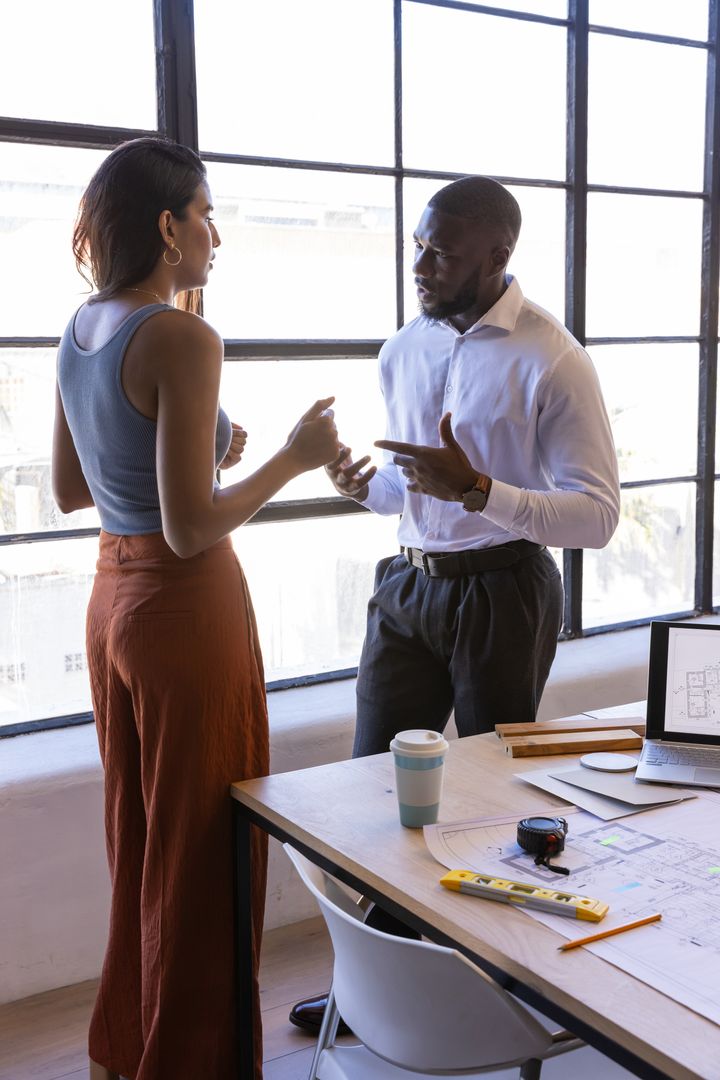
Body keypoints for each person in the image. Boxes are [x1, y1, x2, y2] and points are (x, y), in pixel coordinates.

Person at [289, 174, 620, 1034]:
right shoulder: (404, 349)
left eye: (442, 250)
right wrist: (361, 488)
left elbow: (597, 517)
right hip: (406, 585)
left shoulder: (554, 357)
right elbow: (412, 496)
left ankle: (487, 993)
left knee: (486, 807)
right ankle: (376, 986)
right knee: (374, 793)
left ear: (497, 256)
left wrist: (480, 491)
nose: (421, 263)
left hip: (504, 588)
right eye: (418, 244)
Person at [51, 137, 341, 1080]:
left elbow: (71, 487)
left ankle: (123, 1052)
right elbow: (191, 531)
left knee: (139, 838)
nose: (219, 234)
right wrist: (292, 459)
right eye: (208, 214)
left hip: (111, 604)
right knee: (207, 846)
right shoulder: (183, 337)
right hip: (185, 611)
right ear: (169, 226)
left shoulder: (80, 328)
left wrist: (198, 449)